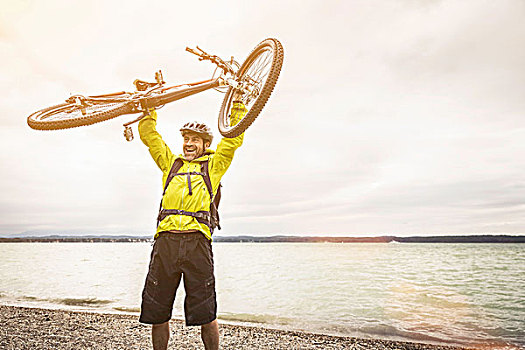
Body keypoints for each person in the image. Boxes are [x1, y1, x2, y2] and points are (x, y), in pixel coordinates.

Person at [137, 100, 247, 350]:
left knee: (206, 312)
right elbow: (151, 138)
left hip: (197, 243)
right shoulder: (171, 164)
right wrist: (147, 110)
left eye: (194, 139)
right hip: (165, 242)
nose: (188, 143)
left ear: (206, 145)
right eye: (186, 138)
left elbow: (232, 140)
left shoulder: (214, 166)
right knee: (158, 311)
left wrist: (238, 105)